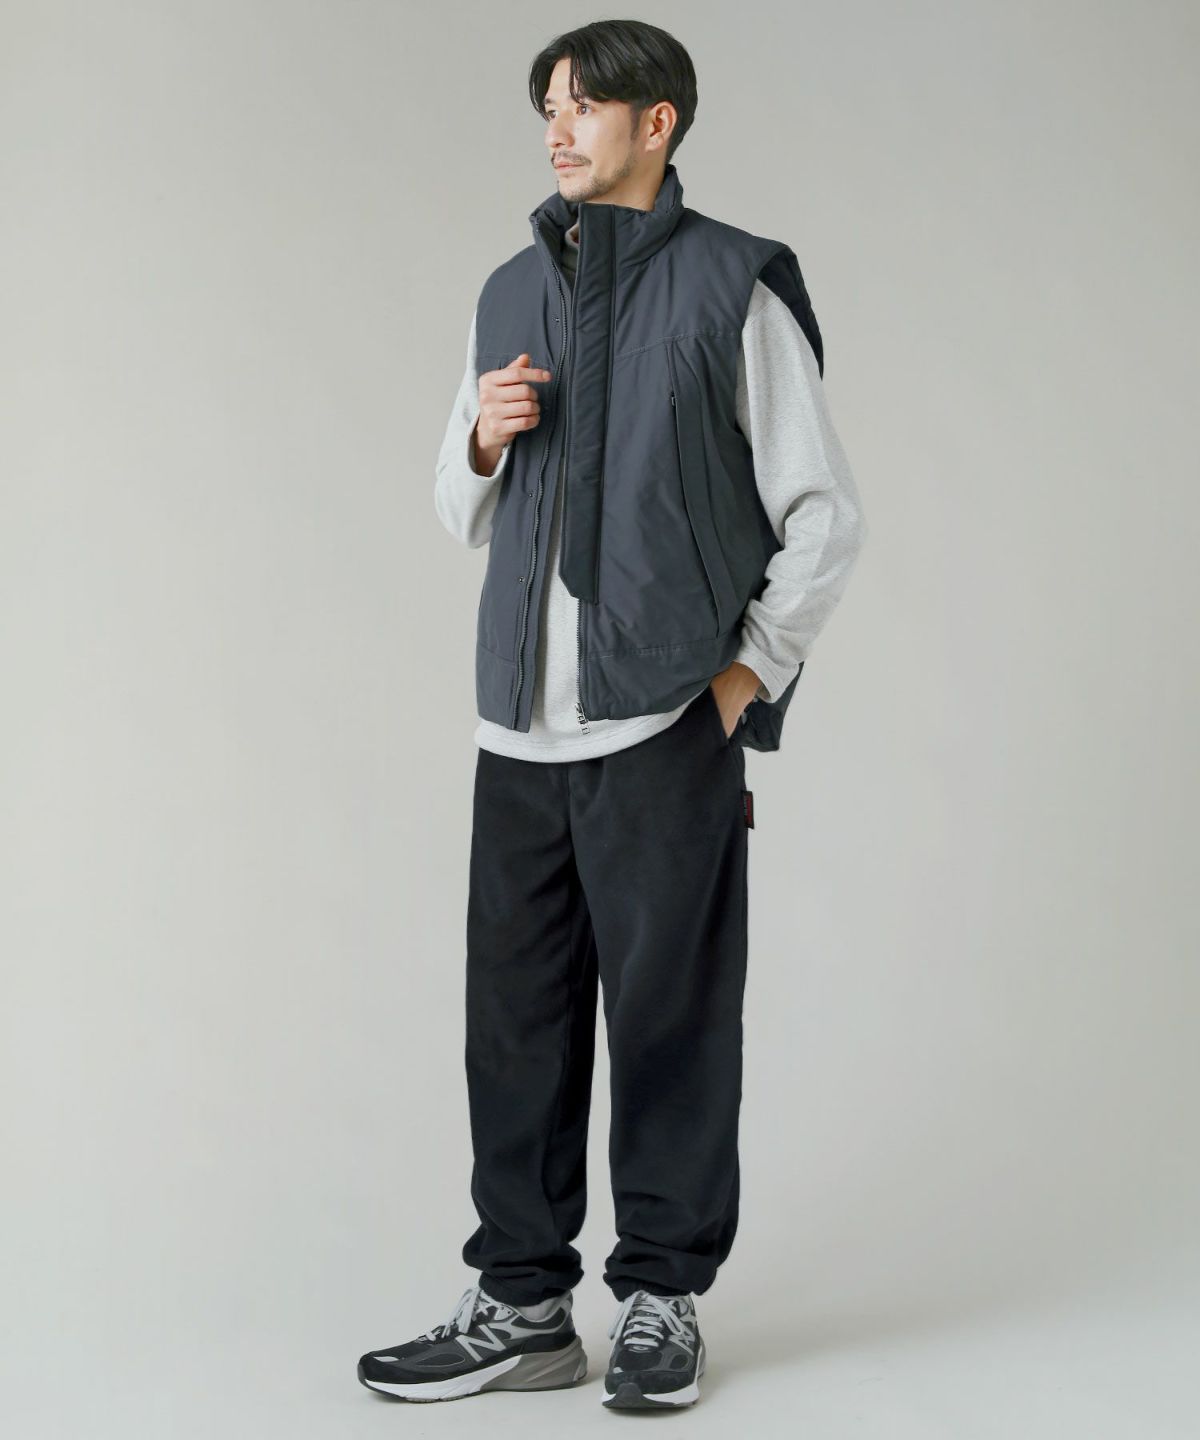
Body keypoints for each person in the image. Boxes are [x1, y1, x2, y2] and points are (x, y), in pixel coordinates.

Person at [357, 18, 867, 1411]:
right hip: (515, 731)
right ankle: (524, 1306)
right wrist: (482, 436)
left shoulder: (731, 288)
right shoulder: (508, 291)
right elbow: (457, 507)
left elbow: (825, 514)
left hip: (661, 726)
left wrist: (745, 678)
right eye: (547, 108)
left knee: (669, 1025)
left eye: (584, 106)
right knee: (514, 1027)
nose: (557, 129)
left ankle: (661, 1300)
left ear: (660, 122)